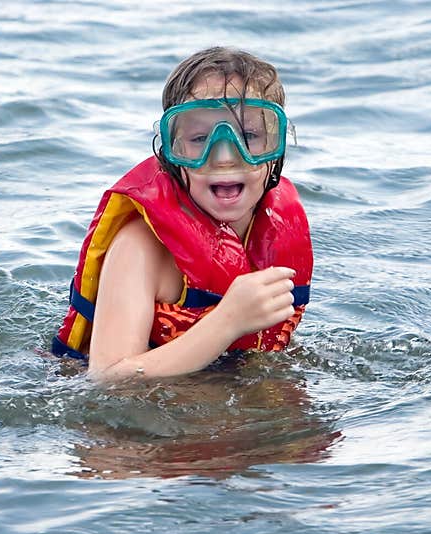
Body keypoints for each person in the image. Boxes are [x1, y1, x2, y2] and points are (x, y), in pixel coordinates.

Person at [52, 47, 313, 381]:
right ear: (171, 153)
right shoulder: (140, 248)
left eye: (249, 136)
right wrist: (230, 320)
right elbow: (108, 377)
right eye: (200, 138)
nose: (224, 157)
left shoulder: (276, 227)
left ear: (275, 150)